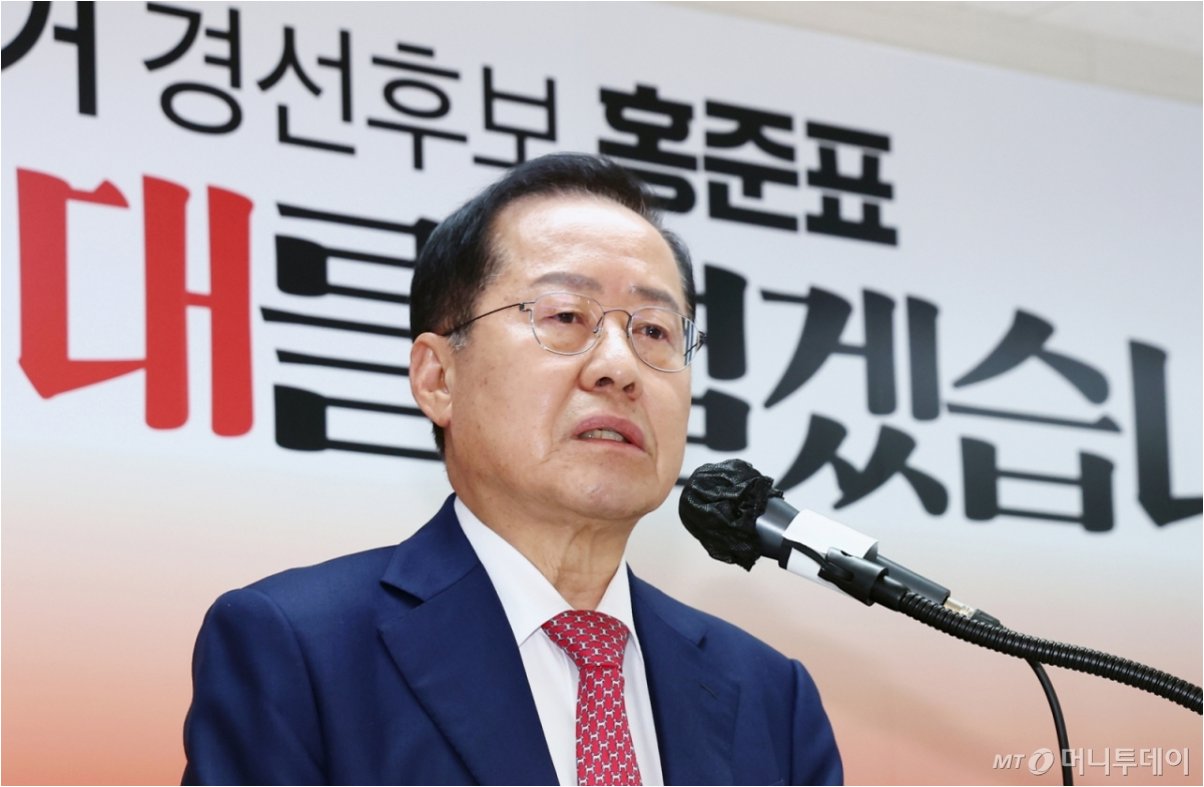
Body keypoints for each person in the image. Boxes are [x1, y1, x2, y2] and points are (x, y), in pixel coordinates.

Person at [181, 153, 842, 785]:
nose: (619, 367)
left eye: (655, 331)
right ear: (438, 378)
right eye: (565, 316)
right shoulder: (298, 648)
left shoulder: (771, 698)